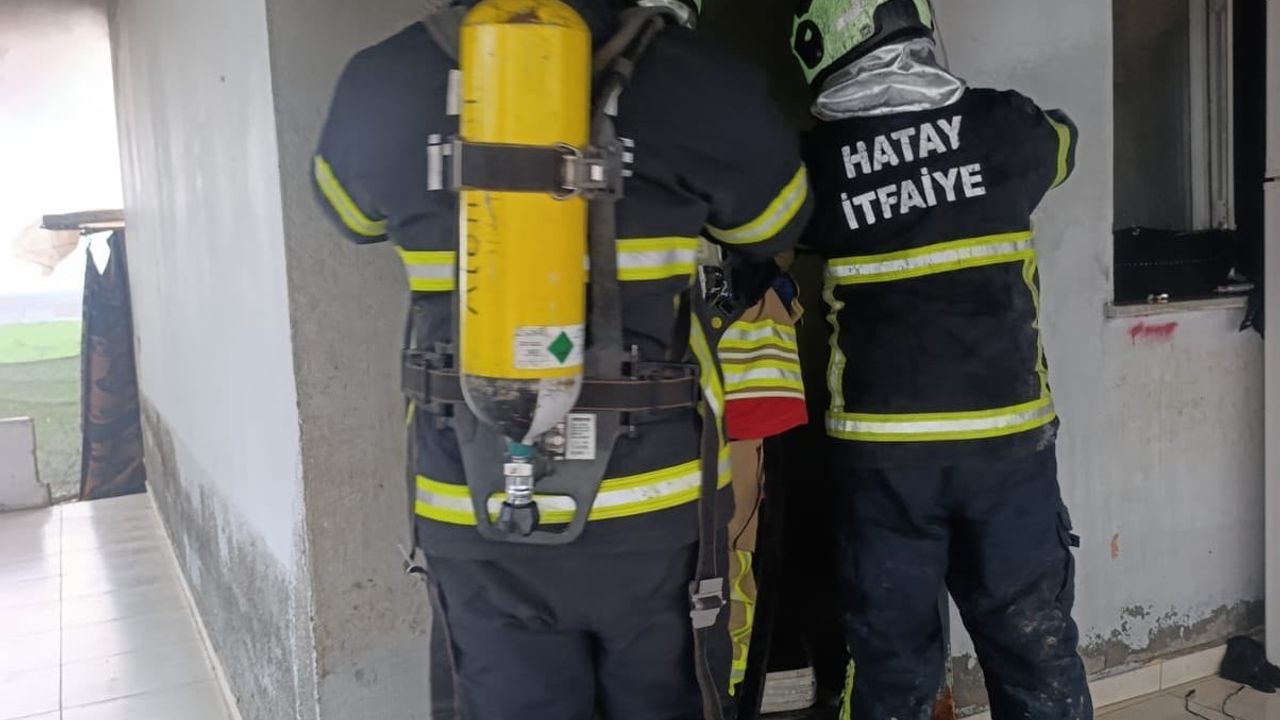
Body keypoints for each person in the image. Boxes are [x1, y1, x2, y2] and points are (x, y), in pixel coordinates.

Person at [311, 0, 812, 717]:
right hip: (653, 514)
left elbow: (350, 215)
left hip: (474, 504)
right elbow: (774, 222)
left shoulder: (383, 80)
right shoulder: (699, 78)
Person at [790, 1, 1091, 718]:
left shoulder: (815, 165)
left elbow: (767, 224)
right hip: (1006, 450)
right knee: (1033, 650)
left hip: (882, 461)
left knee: (892, 667)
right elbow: (1065, 143)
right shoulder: (1003, 126)